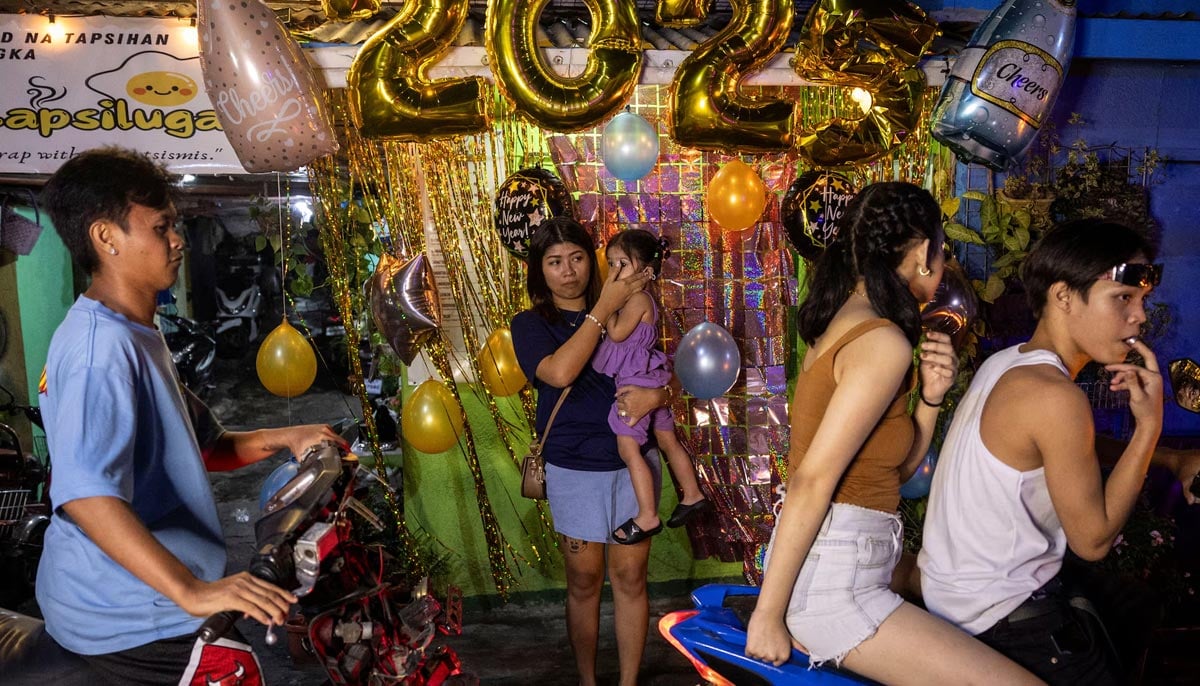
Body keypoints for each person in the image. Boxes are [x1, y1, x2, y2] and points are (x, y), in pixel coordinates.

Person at [35, 146, 344, 685]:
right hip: (130, 615)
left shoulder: (137, 330)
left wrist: (285, 436)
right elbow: (85, 497)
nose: (177, 240)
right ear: (106, 238)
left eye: (174, 225)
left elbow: (204, 445)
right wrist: (193, 591)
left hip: (155, 594)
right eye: (160, 228)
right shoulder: (99, 350)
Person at [744, 182, 1038, 684]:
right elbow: (812, 479)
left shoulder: (854, 324)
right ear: (924, 252)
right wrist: (768, 614)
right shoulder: (881, 340)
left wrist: (930, 398)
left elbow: (891, 473)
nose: (943, 267)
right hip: (839, 585)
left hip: (850, 565)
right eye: (942, 252)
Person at [917, 219, 1192, 684]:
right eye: (1122, 298)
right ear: (1064, 296)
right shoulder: (1056, 396)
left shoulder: (1010, 363)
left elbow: (1067, 449)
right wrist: (1149, 428)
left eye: (1141, 301)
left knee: (1136, 602)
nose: (1140, 316)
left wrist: (1171, 458)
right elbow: (1094, 539)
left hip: (960, 597)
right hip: (1001, 619)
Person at [510, 217, 680, 686]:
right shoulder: (530, 325)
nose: (569, 271)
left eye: (578, 257)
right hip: (574, 468)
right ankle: (587, 680)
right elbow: (560, 373)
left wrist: (658, 398)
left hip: (634, 465)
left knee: (630, 580)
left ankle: (627, 683)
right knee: (584, 583)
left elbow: (666, 373)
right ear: (539, 271)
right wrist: (602, 309)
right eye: (555, 262)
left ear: (594, 260)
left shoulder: (635, 309)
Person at [592, 229, 711, 545]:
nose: (614, 272)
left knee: (628, 448)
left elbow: (616, 333)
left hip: (635, 385)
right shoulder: (637, 299)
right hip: (651, 377)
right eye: (611, 264)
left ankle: (647, 516)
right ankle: (692, 494)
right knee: (668, 441)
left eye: (622, 264)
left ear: (646, 272)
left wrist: (606, 301)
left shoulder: (638, 299)